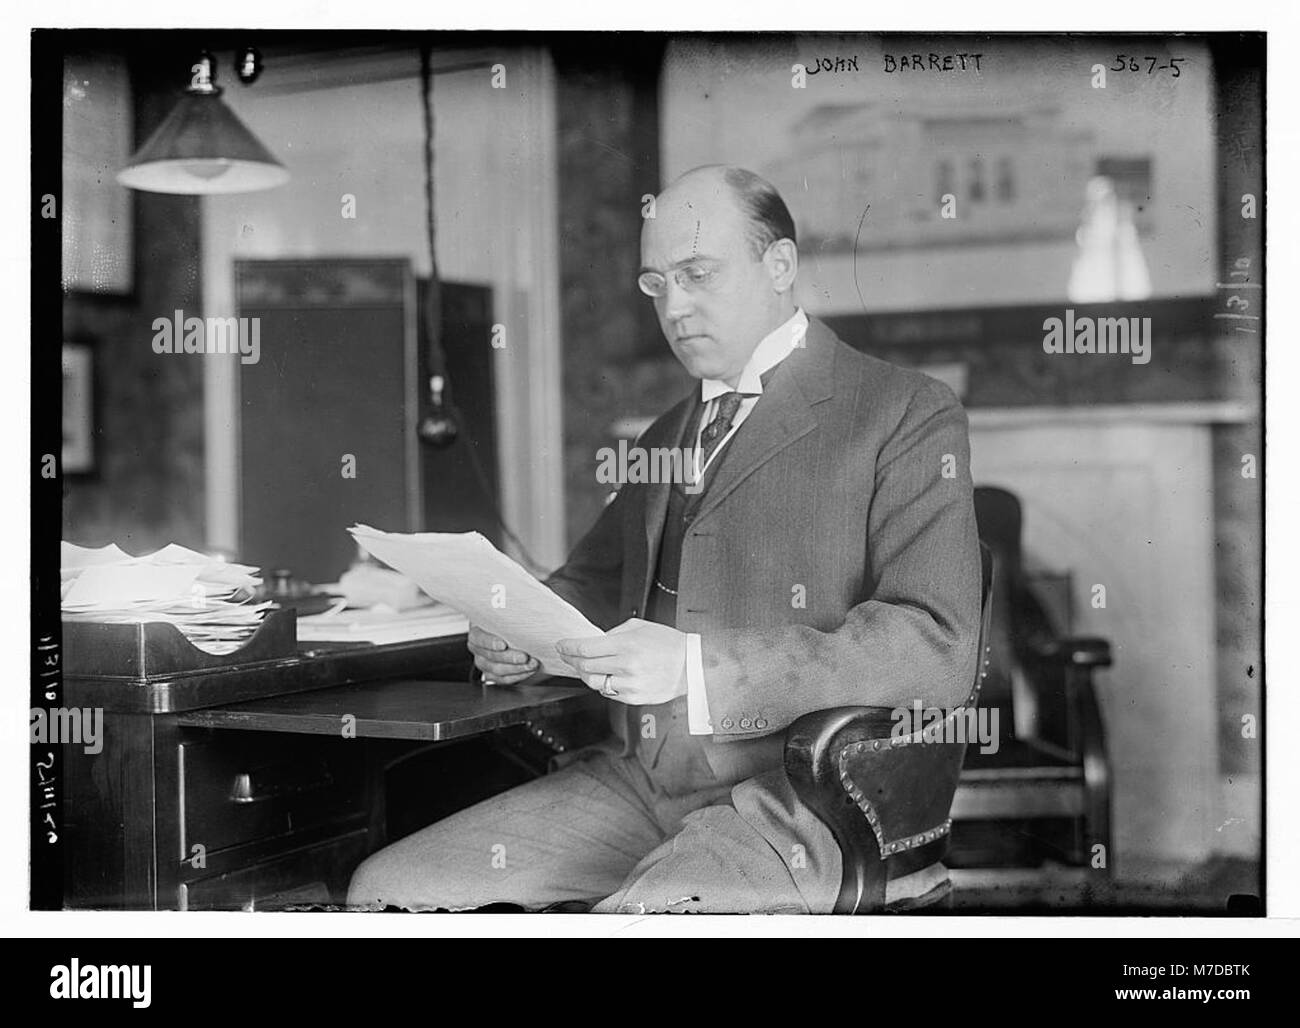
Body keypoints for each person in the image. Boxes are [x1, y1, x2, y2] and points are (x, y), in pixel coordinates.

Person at [348, 164, 981, 913]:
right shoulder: (666, 435)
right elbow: (587, 584)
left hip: (801, 800)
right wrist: (516, 632)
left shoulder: (905, 411)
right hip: (643, 781)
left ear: (779, 265)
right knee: (386, 891)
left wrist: (694, 666)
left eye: (697, 273)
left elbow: (933, 643)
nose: (674, 306)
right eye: (656, 285)